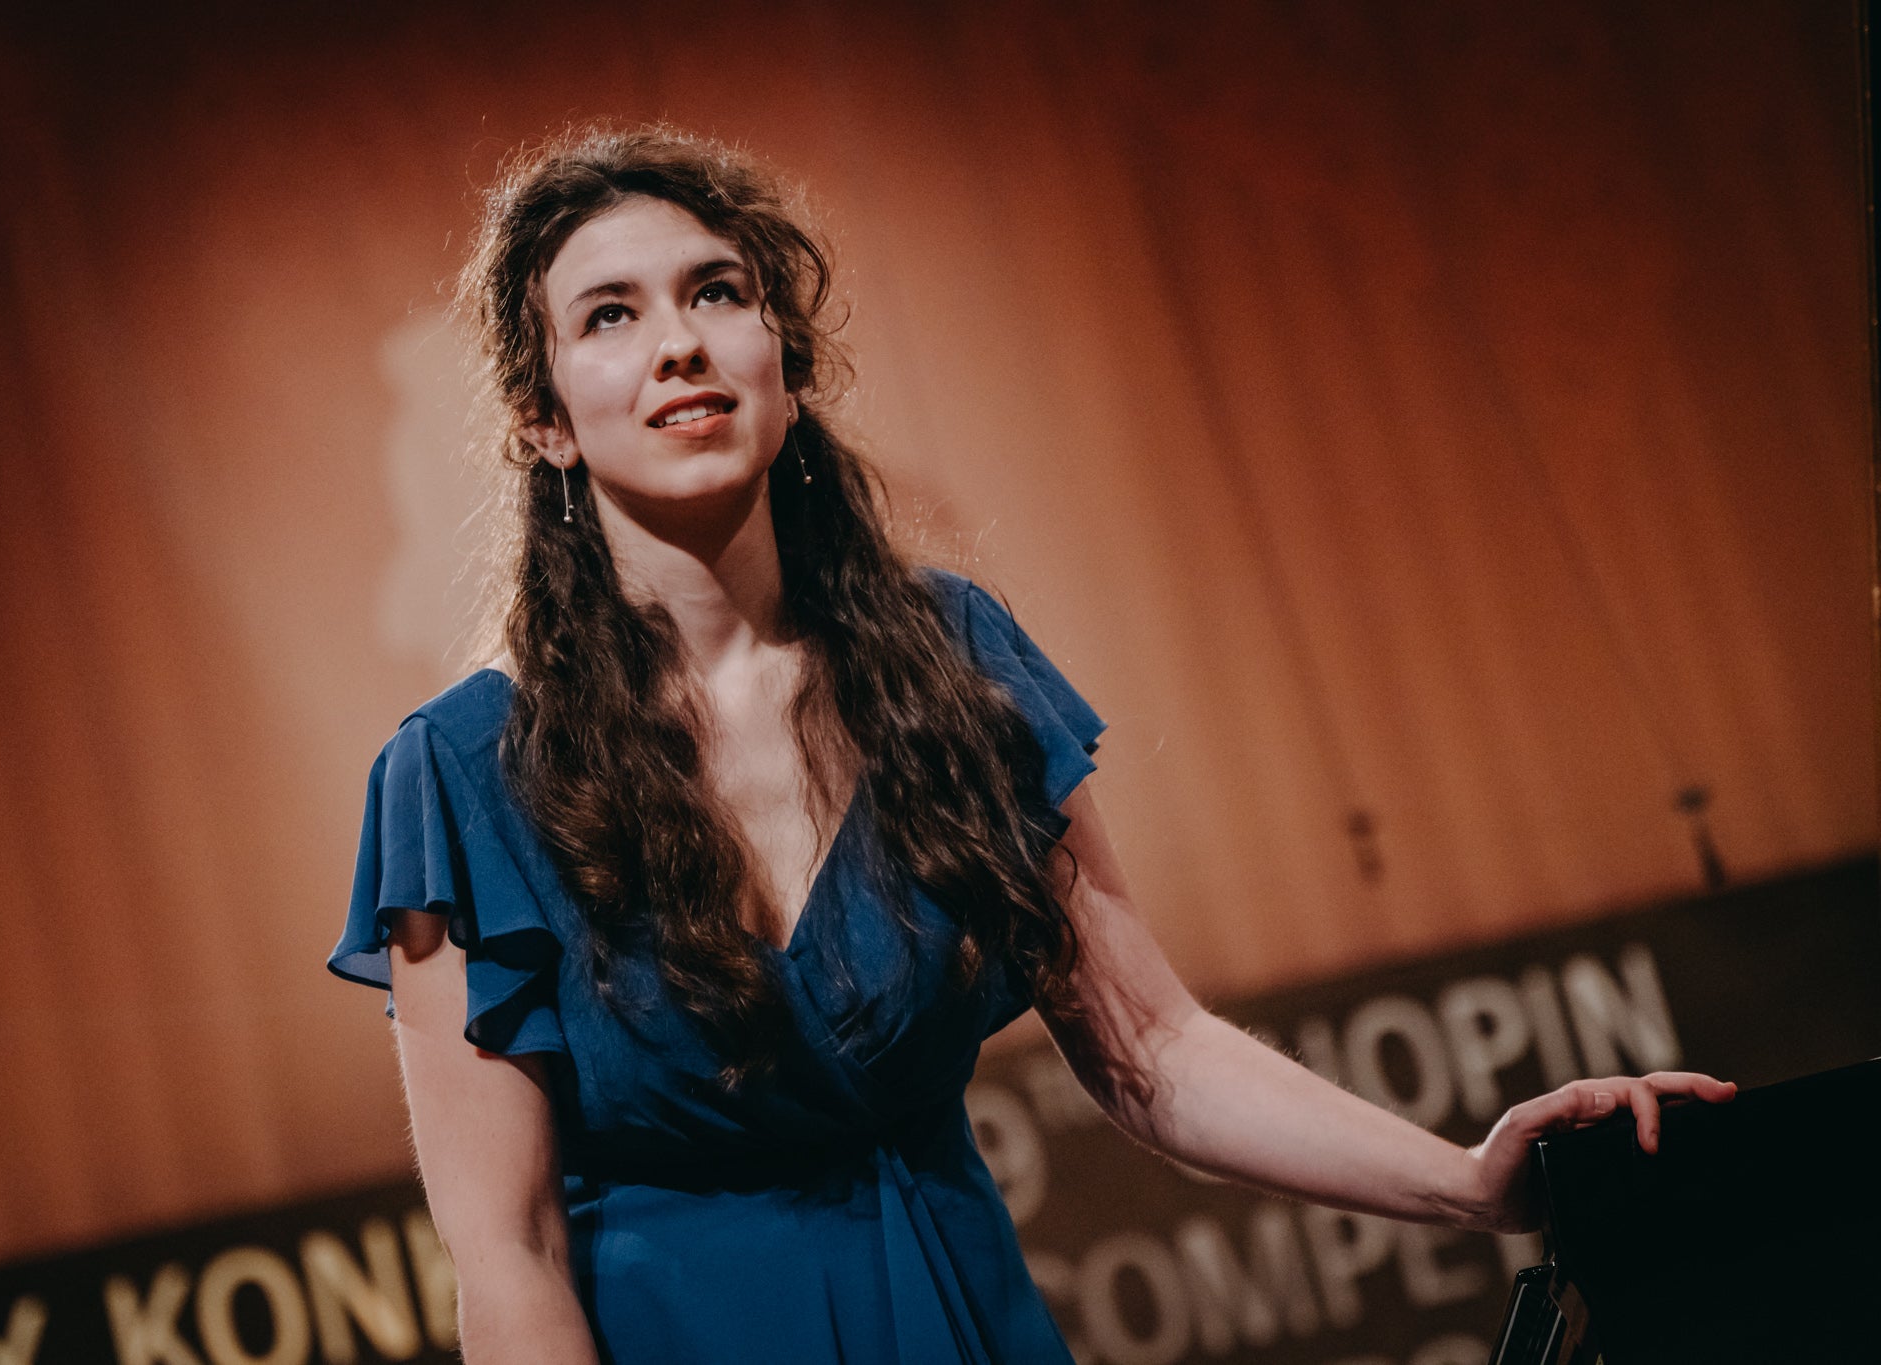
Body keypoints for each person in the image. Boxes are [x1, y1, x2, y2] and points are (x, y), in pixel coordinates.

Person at [328, 124, 1734, 1365]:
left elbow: (1150, 1047)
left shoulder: (947, 658)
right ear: (542, 418)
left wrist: (1472, 1181)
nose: (680, 341)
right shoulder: (456, 777)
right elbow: (505, 1259)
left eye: (718, 292)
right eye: (611, 317)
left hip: (962, 1307)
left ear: (786, 363)